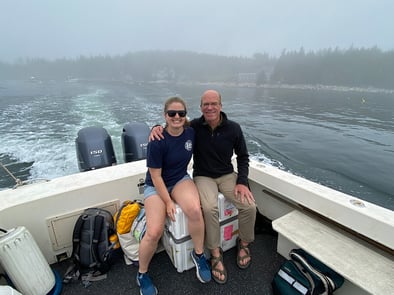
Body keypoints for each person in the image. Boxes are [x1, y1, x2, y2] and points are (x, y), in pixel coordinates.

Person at [150, 90, 256, 284]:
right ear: (200, 108)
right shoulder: (194, 126)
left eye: (214, 103)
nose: (210, 107)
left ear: (221, 106)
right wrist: (155, 127)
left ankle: (244, 243)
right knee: (208, 208)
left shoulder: (234, 128)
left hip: (227, 175)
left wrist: (242, 181)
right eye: (205, 104)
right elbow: (173, 124)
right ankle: (215, 253)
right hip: (204, 176)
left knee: (249, 206)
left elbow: (243, 157)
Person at [137, 96, 211, 295]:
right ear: (165, 116)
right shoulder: (157, 141)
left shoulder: (191, 133)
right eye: (172, 113)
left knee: (195, 210)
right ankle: (142, 274)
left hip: (179, 179)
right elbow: (155, 175)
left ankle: (198, 255)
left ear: (186, 116)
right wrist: (168, 202)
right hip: (156, 184)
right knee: (154, 232)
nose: (176, 117)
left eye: (181, 113)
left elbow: (210, 122)